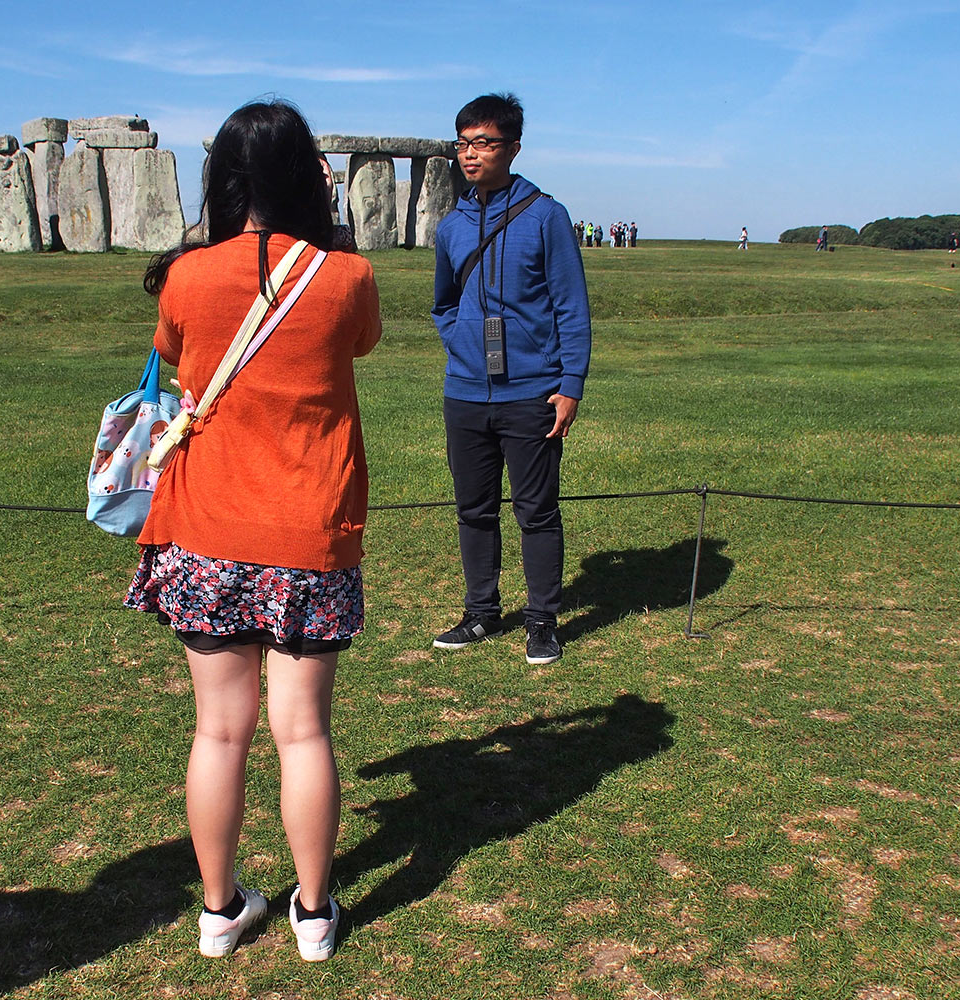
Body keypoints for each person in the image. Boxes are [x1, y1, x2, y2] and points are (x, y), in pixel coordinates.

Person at [122, 100, 380, 962]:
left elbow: (175, 359)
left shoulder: (186, 278)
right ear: (308, 175)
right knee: (302, 731)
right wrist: (330, 224)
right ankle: (312, 913)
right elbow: (363, 342)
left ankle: (220, 908)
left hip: (204, 528)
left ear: (225, 177)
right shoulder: (345, 277)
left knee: (218, 731)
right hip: (306, 528)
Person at [430, 92, 591, 666]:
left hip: (533, 391)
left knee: (536, 510)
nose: (470, 154)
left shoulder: (546, 215)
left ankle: (543, 620)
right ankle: (480, 611)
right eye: (463, 143)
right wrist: (461, 342)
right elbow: (442, 303)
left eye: (483, 143)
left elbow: (571, 305)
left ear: (513, 148)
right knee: (474, 508)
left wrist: (569, 383)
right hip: (466, 392)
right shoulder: (451, 225)